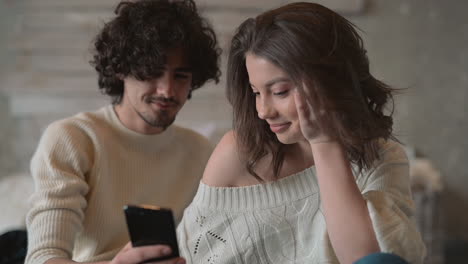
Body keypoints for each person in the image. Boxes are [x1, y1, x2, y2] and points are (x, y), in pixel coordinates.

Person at [176, 2, 426, 264]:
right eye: (256, 92)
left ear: (330, 80)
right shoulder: (240, 153)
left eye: (280, 91)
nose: (263, 111)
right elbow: (190, 255)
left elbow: (367, 259)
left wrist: (324, 141)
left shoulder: (382, 157)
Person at [25, 0, 220, 263]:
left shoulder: (202, 152)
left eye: (181, 76)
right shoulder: (73, 139)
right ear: (120, 70)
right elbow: (43, 257)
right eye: (151, 72)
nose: (167, 90)